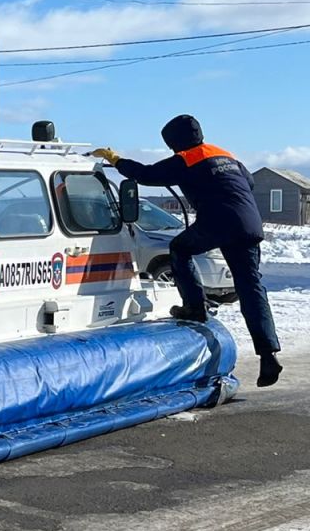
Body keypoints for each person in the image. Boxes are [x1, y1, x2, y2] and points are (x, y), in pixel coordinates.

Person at [93, 114, 282, 387]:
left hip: (218, 220)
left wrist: (116, 159)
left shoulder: (186, 159)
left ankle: (195, 307)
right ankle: (268, 353)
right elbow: (249, 183)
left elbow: (146, 174)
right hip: (249, 223)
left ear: (175, 142)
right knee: (250, 286)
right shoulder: (226, 155)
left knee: (179, 249)